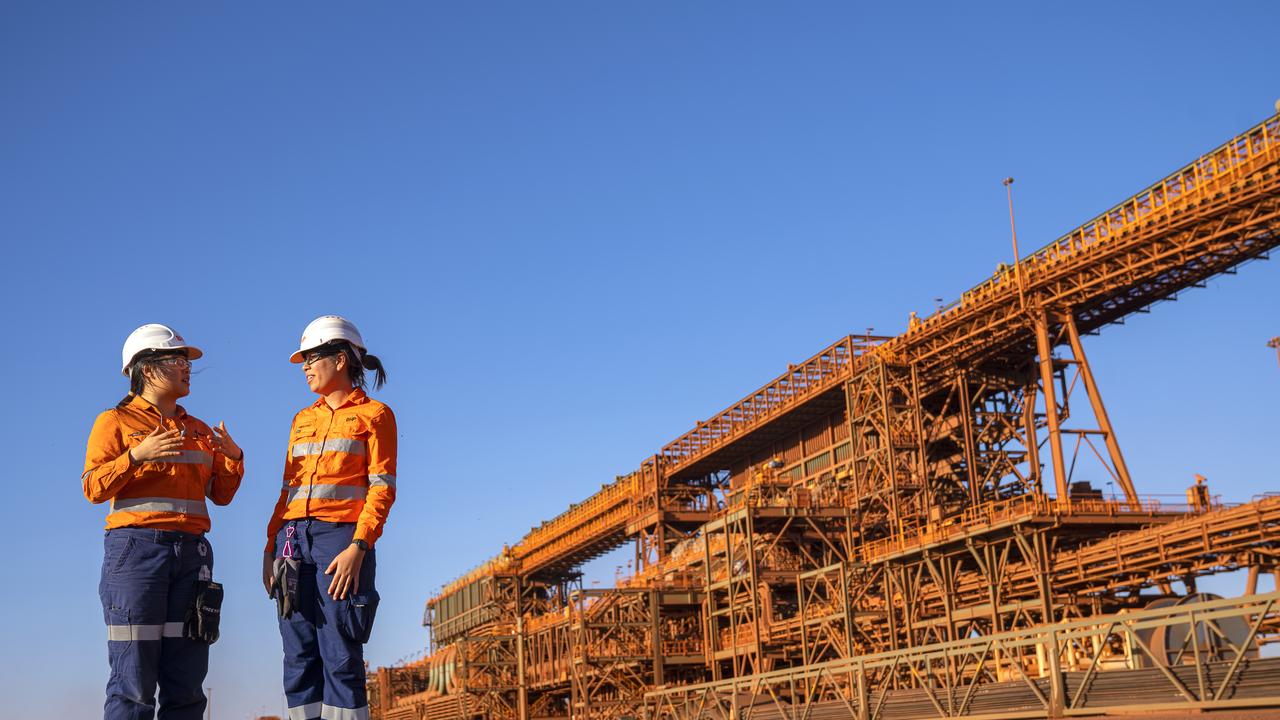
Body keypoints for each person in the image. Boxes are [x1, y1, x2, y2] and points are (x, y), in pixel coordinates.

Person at [83, 323, 244, 720]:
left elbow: (221, 495)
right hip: (136, 552)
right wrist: (137, 456)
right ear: (147, 368)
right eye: (177, 360)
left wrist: (234, 458)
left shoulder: (199, 431)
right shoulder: (115, 422)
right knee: (133, 685)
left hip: (192, 556)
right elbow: (93, 487)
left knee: (186, 687)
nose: (187, 367)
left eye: (186, 361)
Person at [264, 315, 395, 720]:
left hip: (340, 539)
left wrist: (360, 545)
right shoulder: (302, 419)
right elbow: (287, 490)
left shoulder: (376, 415)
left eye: (311, 357)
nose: (304, 366)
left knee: (340, 652)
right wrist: (270, 546)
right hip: (291, 539)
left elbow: (382, 487)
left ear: (340, 360)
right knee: (297, 653)